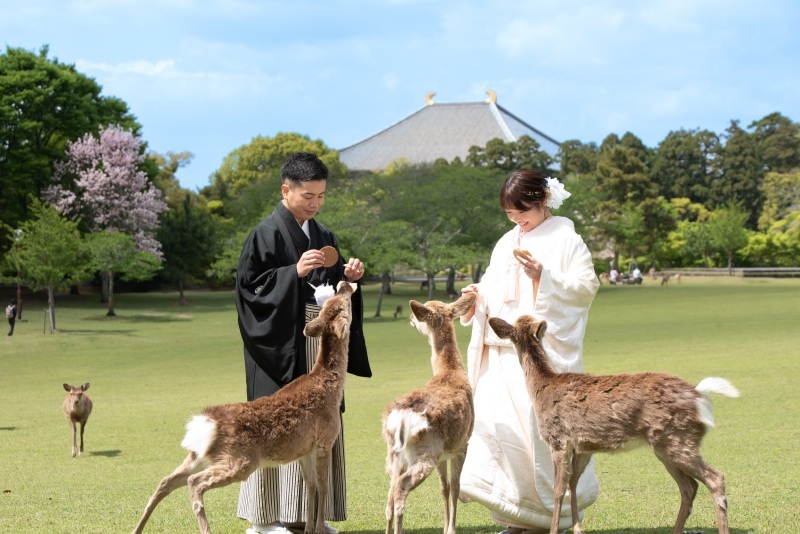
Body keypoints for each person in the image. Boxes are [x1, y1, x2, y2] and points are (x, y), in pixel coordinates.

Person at [234, 152, 372, 534]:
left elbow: (334, 293)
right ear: (286, 189)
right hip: (281, 347)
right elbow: (249, 291)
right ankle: (264, 520)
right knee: (278, 423)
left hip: (320, 349)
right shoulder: (264, 234)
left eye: (321, 196)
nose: (314, 203)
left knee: (320, 425)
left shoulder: (324, 235)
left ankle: (311, 516)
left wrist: (351, 278)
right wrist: (291, 273)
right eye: (308, 195)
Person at [459, 169, 600, 533]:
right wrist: (478, 295)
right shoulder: (507, 241)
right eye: (510, 213)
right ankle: (513, 517)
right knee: (496, 430)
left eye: (524, 211)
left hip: (538, 359)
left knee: (539, 434)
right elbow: (495, 285)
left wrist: (544, 277)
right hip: (500, 352)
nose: (518, 220)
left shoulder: (567, 239)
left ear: (543, 202)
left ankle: (548, 517)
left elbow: (585, 288)